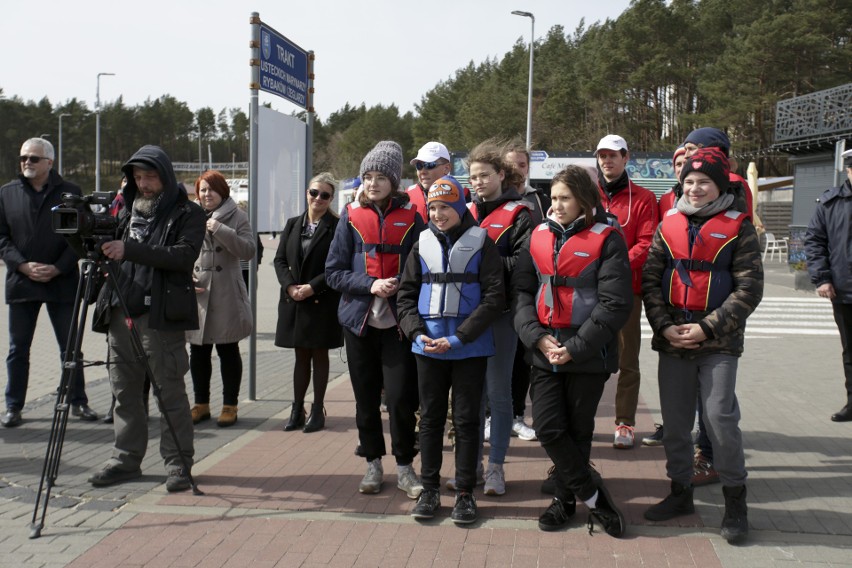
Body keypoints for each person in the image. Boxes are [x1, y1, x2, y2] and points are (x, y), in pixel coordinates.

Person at [642, 147, 763, 544]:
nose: (694, 188)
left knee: (719, 419)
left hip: (719, 344)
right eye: (689, 182)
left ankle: (735, 501)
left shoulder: (739, 227)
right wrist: (664, 325)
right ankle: (680, 493)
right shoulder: (668, 224)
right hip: (672, 340)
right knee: (675, 426)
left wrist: (706, 329)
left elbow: (749, 289)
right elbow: (650, 280)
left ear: (720, 185)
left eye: (704, 182)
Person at [512, 165, 631, 537]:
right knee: (548, 427)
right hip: (544, 348)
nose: (557, 205)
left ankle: (564, 502)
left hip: (588, 352)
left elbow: (614, 304)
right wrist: (537, 337)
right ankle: (595, 498)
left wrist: (575, 348)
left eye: (565, 198)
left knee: (579, 431)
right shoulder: (537, 236)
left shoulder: (608, 239)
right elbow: (522, 294)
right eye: (554, 198)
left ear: (584, 200)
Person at [87, 145, 205, 492]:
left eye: (150, 176)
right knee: (123, 392)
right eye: (137, 177)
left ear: (165, 177)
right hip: (120, 311)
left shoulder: (188, 213)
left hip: (159, 316)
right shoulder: (125, 212)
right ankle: (125, 459)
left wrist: (130, 249)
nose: (143, 183)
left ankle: (179, 463)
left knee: (168, 391)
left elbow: (183, 256)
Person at [397, 175, 504, 524]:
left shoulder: (482, 242)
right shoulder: (420, 242)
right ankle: (429, 489)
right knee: (429, 419)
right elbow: (405, 296)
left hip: (468, 348)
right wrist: (416, 334)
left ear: (459, 206)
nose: (438, 214)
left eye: (445, 206)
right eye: (432, 207)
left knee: (467, 420)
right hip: (428, 347)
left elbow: (493, 299)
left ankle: (464, 493)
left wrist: (459, 337)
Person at [326, 141, 424, 499]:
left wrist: (401, 286)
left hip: (399, 326)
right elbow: (333, 272)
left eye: (381, 177)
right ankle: (372, 463)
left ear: (394, 181)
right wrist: (371, 284)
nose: (373, 183)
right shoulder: (349, 219)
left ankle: (404, 467)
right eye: (368, 176)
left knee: (400, 399)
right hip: (359, 324)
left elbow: (422, 269)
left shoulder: (413, 219)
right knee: (365, 399)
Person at [0, 137, 98, 428]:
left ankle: (78, 401)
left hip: (62, 281)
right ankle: (14, 406)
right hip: (22, 282)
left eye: (33, 158)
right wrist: (22, 265)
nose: (27, 163)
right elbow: (1, 238)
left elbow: (81, 236)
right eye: (23, 158)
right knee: (19, 349)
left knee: (70, 347)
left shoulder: (70, 193)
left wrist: (58, 268)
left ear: (50, 162)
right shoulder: (7, 193)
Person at [463, 138, 534, 496]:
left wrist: (481, 267)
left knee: (499, 395)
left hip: (502, 317)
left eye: (484, 175)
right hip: (467, 318)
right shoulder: (464, 212)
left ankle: (496, 468)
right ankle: (471, 467)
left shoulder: (520, 214)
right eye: (473, 176)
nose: (477, 182)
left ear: (501, 175)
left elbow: (525, 264)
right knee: (470, 397)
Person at [594, 134, 658, 449]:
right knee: (588, 356)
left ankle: (625, 423)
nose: (608, 160)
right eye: (603, 155)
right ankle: (583, 418)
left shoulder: (644, 198)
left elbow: (647, 243)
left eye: (613, 155)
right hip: (589, 292)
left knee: (628, 360)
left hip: (627, 291)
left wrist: (614, 266)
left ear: (626, 157)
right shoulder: (587, 194)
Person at [275, 172, 343, 433]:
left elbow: (339, 264)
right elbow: (280, 259)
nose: (318, 198)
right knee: (300, 355)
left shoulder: (337, 226)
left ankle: (318, 409)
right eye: (314, 192)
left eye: (325, 195)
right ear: (307, 193)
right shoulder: (293, 224)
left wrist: (312, 287)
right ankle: (297, 409)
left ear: (331, 199)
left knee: (319, 353)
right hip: (294, 301)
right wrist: (291, 286)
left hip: (321, 301)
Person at [187, 170, 255, 428]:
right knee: (198, 351)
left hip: (226, 292)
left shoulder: (238, 216)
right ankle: (201, 404)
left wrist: (220, 229)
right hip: (199, 293)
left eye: (211, 189)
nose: (206, 194)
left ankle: (230, 405)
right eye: (202, 189)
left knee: (227, 349)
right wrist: (185, 276)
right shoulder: (189, 216)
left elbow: (248, 250)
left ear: (223, 191)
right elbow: (180, 250)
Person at [642, 144, 688, 447]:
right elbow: (656, 257)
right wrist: (662, 321)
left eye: (688, 162)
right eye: (678, 163)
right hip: (669, 307)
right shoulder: (668, 201)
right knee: (673, 388)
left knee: (717, 406)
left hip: (710, 315)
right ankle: (671, 428)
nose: (682, 168)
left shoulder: (733, 197)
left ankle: (708, 450)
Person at [504, 139, 549, 443]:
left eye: (522, 164)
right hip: (496, 292)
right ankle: (492, 415)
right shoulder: (490, 200)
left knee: (522, 358)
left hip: (528, 292)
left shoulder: (541, 200)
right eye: (511, 165)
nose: (517, 170)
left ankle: (517, 415)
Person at [805, 148, 852, 422]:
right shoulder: (830, 203)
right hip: (844, 290)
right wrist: (822, 278)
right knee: (850, 352)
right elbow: (815, 241)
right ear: (847, 170)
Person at [406, 141, 454, 222]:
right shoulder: (406, 197)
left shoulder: (463, 197)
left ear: (447, 168)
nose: (422, 171)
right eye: (419, 166)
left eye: (429, 165)